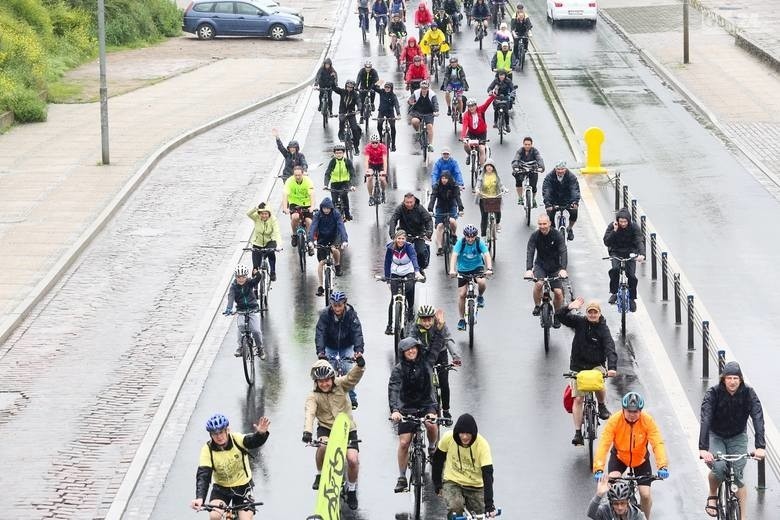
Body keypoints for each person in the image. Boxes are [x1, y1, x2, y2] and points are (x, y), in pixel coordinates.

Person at [699, 361, 766, 520]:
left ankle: (743, 517)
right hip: (716, 435)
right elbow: (706, 419)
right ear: (723, 379)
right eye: (729, 378)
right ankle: (713, 494)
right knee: (720, 467)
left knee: (737, 475)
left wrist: (760, 446)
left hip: (738, 435)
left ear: (741, 380)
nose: (732, 381)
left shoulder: (748, 393)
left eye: (736, 378)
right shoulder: (713, 393)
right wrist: (703, 448)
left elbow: (757, 417)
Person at [593, 392, 669, 520]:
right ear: (623, 410)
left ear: (640, 411)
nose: (633, 415)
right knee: (613, 487)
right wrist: (598, 468)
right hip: (619, 458)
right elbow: (604, 444)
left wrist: (662, 466)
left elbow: (657, 443)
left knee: (645, 494)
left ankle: (645, 517)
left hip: (641, 460)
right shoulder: (614, 420)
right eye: (629, 411)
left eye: (636, 412)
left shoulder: (647, 420)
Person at [304, 355, 365, 510]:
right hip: (326, 427)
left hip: (347, 428)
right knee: (322, 447)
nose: (324, 383)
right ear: (316, 382)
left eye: (327, 380)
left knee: (352, 460)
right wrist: (307, 432)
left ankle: (351, 489)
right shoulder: (313, 395)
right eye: (321, 381)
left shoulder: (340, 384)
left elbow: (353, 377)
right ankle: (319, 473)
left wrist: (359, 365)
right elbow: (310, 413)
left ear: (332, 378)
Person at [558, 297, 618, 446]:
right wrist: (569, 307)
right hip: (578, 366)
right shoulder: (579, 322)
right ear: (586, 313)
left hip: (595, 364)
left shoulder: (603, 328)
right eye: (590, 312)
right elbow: (559, 316)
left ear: (599, 313)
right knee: (578, 399)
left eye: (595, 312)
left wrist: (612, 368)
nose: (592, 315)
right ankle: (578, 433)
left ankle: (602, 405)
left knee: (599, 384)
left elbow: (610, 347)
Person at [191, 414, 271, 519]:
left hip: (243, 487)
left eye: (221, 432)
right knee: (214, 516)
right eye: (215, 434)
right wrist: (200, 498)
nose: (219, 437)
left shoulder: (236, 439)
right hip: (221, 489)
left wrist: (260, 434)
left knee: (245, 518)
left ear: (227, 430)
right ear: (211, 435)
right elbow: (203, 476)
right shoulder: (207, 450)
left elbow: (252, 441)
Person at [389, 336, 439, 493]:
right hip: (406, 407)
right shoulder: (398, 369)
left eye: (413, 348)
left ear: (418, 349)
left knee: (431, 424)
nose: (411, 351)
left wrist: (439, 329)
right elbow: (394, 389)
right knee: (404, 443)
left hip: (426, 404)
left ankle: (431, 447)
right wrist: (395, 410)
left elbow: (436, 345)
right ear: (402, 352)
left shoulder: (427, 363)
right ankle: (402, 477)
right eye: (407, 349)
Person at [432, 413, 497, 518]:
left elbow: (488, 475)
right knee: (455, 507)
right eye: (461, 433)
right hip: (453, 481)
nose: (465, 437)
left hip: (475, 485)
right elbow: (437, 460)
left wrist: (489, 504)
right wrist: (437, 484)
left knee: (482, 515)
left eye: (468, 434)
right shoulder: (448, 438)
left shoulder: (482, 445)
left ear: (474, 433)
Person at [408, 305, 462, 418]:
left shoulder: (440, 324)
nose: (427, 323)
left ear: (433, 318)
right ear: (419, 319)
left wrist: (456, 358)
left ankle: (446, 410)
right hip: (425, 354)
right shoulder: (415, 327)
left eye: (429, 320)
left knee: (444, 382)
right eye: (424, 320)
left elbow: (448, 340)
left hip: (440, 353)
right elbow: (411, 342)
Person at [314, 291, 365, 408]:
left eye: (340, 305)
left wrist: (358, 351)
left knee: (348, 370)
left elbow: (357, 332)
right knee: (327, 371)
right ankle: (326, 397)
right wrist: (321, 352)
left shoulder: (351, 314)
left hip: (346, 346)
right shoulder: (325, 314)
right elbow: (320, 333)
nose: (337, 308)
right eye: (334, 305)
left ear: (345, 304)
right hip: (330, 346)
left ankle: (352, 398)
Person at [449, 225, 493, 331]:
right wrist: (452, 270)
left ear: (475, 236)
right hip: (463, 270)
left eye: (472, 237)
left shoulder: (479, 242)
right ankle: (461, 319)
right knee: (462, 294)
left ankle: (480, 296)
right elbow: (454, 256)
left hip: (477, 267)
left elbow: (486, 255)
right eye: (468, 237)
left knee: (482, 282)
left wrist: (489, 268)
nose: (470, 239)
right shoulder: (461, 242)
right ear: (464, 236)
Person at [383, 230, 426, 335]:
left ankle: (410, 309)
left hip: (408, 272)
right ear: (395, 239)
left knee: (410, 289)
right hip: (395, 273)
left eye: (403, 239)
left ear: (405, 239)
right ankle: (389, 325)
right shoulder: (390, 248)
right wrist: (387, 278)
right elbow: (387, 263)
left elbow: (413, 258)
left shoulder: (409, 247)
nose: (401, 241)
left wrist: (417, 272)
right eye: (399, 238)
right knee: (393, 299)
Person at [524, 213, 568, 316]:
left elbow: (563, 251)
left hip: (555, 267)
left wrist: (563, 269)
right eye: (540, 224)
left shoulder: (557, 235)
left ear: (549, 223)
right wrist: (529, 269)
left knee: (558, 292)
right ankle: (537, 305)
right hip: (541, 265)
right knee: (538, 284)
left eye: (544, 224)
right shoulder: (535, 235)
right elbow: (530, 251)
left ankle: (558, 314)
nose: (542, 226)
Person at [604, 207, 646, 312]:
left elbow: (639, 240)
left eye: (625, 221)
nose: (623, 224)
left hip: (630, 252)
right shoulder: (612, 226)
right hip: (616, 252)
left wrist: (642, 254)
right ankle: (614, 292)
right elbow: (606, 242)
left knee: (631, 276)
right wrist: (614, 231)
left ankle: (632, 298)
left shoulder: (634, 227)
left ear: (628, 220)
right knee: (615, 270)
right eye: (621, 221)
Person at [223, 265, 265, 359]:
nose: (241, 279)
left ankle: (260, 348)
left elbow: (257, 280)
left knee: (256, 331)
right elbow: (231, 297)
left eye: (243, 277)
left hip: (252, 309)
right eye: (239, 277)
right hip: (241, 310)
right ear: (235, 277)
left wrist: (257, 274)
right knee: (241, 326)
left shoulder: (249, 282)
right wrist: (229, 308)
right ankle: (240, 347)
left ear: (246, 277)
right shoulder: (234, 287)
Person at [309, 198, 349, 295]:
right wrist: (310, 240)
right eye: (324, 208)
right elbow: (313, 227)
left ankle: (337, 265)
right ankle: (320, 286)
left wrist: (344, 240)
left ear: (331, 208)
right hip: (322, 238)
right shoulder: (318, 215)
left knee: (334, 249)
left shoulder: (336, 214)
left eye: (328, 208)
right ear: (321, 208)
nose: (326, 210)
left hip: (334, 237)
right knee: (321, 263)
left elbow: (341, 226)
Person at [389, 192, 434, 274]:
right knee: (397, 251)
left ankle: (420, 268)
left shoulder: (420, 208)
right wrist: (392, 234)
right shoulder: (400, 208)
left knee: (420, 252)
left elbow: (428, 220)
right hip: (404, 233)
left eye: (411, 202)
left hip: (418, 233)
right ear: (404, 201)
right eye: (407, 202)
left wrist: (429, 232)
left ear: (414, 201)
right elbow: (393, 220)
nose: (409, 204)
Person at [542, 161, 580, 241]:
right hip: (554, 200)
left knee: (574, 212)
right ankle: (552, 230)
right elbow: (547, 190)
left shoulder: (571, 177)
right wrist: (548, 203)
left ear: (565, 169)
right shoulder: (549, 177)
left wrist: (575, 202)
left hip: (568, 200)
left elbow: (574, 189)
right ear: (555, 169)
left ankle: (569, 228)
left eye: (562, 169)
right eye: (558, 169)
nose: (560, 171)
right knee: (550, 214)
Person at [282, 165, 316, 253]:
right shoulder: (289, 181)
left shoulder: (308, 181)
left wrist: (312, 207)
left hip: (306, 203)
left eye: (299, 175)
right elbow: (285, 195)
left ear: (302, 174)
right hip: (294, 203)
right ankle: (294, 235)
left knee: (309, 221)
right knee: (295, 217)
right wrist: (285, 208)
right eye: (295, 175)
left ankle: (310, 241)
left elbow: (312, 194)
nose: (297, 177)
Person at [429, 170, 464, 255]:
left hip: (451, 206)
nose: (444, 180)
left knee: (452, 221)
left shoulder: (454, 186)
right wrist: (430, 209)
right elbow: (433, 197)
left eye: (446, 178)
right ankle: (440, 247)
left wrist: (460, 209)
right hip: (440, 207)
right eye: (442, 178)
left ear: (449, 179)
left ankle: (453, 234)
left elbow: (457, 197)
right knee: (440, 226)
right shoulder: (437, 186)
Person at [246, 202, 281, 282]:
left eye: (266, 214)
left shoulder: (273, 220)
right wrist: (256, 208)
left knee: (271, 252)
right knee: (255, 267)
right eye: (262, 214)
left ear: (269, 214)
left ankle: (272, 272)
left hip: (270, 242)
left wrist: (278, 245)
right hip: (257, 243)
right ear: (259, 214)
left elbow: (277, 232)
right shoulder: (256, 218)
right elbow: (248, 214)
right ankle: (255, 287)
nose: (264, 216)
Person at [460, 93, 495, 168]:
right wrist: (463, 137)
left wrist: (493, 96)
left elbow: (487, 103)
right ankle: (470, 155)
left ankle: (482, 168)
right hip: (471, 133)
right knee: (466, 145)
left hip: (482, 133)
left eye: (472, 106)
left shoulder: (481, 110)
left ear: (476, 105)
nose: (471, 108)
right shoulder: (466, 115)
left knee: (481, 149)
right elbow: (464, 126)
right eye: (469, 107)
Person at [323, 143, 356, 221]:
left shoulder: (347, 162)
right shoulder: (333, 162)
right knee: (334, 200)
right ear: (334, 153)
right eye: (337, 153)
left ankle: (347, 215)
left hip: (345, 183)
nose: (338, 154)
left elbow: (352, 174)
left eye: (340, 153)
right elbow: (328, 173)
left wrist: (352, 185)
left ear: (343, 153)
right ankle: (332, 216)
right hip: (335, 183)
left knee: (344, 197)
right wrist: (325, 185)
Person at [511, 136, 544, 206]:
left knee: (534, 186)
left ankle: (533, 199)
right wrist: (515, 166)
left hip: (532, 169)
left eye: (529, 144)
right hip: (522, 168)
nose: (527, 146)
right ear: (523, 144)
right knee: (518, 181)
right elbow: (516, 158)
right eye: (525, 144)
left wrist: (541, 166)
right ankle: (520, 198)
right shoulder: (520, 151)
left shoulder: (535, 151)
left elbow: (539, 159)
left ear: (531, 145)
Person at [475, 159, 505, 236]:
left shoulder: (496, 176)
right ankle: (484, 235)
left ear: (493, 168)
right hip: (484, 198)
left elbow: (501, 184)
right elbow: (478, 184)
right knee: (484, 216)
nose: (489, 168)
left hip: (495, 197)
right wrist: (477, 190)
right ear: (485, 167)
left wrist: (504, 189)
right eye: (487, 166)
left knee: (497, 212)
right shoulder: (482, 176)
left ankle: (497, 224)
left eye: (490, 166)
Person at [332, 80, 363, 155]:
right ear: (346, 86)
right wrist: (332, 80)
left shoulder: (355, 94)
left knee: (355, 129)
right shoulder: (342, 91)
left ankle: (356, 148)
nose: (349, 88)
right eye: (348, 87)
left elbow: (359, 101)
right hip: (342, 112)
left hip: (351, 113)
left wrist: (359, 109)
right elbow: (334, 88)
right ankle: (341, 134)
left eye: (351, 87)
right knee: (341, 121)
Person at [371, 80, 401, 151]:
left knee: (393, 127)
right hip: (382, 111)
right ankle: (381, 139)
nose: (387, 89)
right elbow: (373, 88)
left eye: (388, 87)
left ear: (391, 88)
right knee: (379, 124)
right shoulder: (381, 92)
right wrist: (377, 83)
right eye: (385, 87)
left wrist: (398, 114)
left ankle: (393, 144)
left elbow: (396, 105)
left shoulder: (393, 96)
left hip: (390, 112)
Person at [363, 133, 389, 206]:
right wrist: (367, 171)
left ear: (379, 142)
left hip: (381, 164)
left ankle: (383, 192)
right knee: (369, 178)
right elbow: (366, 160)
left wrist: (385, 171)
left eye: (376, 142)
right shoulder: (368, 147)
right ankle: (370, 196)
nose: (374, 144)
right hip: (372, 164)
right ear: (370, 142)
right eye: (373, 142)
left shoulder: (383, 147)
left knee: (382, 179)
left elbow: (385, 160)